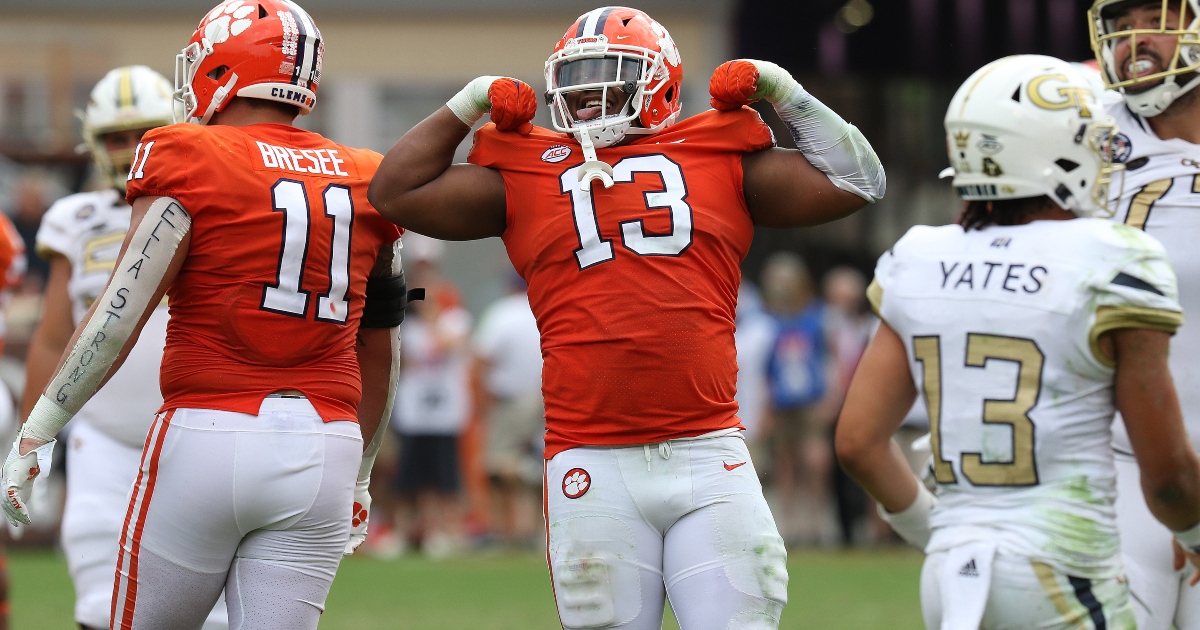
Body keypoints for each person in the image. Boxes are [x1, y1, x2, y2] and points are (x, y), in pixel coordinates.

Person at [367, 5, 884, 627]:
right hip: (590, 459)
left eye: (607, 75)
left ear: (659, 81)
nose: (586, 95)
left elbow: (860, 179)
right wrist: (468, 103)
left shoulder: (719, 154)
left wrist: (782, 88)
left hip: (707, 449)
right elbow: (394, 191)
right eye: (575, 78)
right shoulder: (529, 170)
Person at [1, 2, 406, 628]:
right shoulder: (367, 175)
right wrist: (361, 473)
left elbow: (119, 311)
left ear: (223, 67)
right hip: (325, 442)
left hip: (209, 431)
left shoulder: (189, 152)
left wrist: (40, 425)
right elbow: (380, 345)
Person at [836, 54, 1200, 629]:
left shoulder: (921, 255)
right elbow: (1169, 476)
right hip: (1064, 564)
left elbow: (857, 442)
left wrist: (936, 534)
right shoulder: (1112, 259)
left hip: (954, 572)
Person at [20, 65, 228, 630]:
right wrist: (29, 439)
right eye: (118, 135)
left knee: (209, 601)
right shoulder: (76, 217)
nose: (133, 147)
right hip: (103, 435)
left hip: (197, 426)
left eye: (146, 131)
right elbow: (53, 335)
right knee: (99, 587)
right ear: (95, 141)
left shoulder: (211, 203)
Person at [1090, 1, 1200, 627]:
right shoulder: (1078, 123)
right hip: (1118, 466)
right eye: (1120, 24)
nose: (1135, 39)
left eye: (1155, 17)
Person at [391, 243, 471, 558]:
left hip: (444, 412)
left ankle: (444, 532)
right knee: (408, 478)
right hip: (414, 412)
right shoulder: (407, 327)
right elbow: (404, 358)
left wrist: (431, 306)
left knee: (444, 478)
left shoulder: (455, 319)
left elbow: (445, 345)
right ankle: (405, 533)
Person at [760, 252, 832, 544]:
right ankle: (787, 524)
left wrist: (830, 395)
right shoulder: (767, 319)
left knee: (814, 459)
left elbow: (829, 358)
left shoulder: (816, 316)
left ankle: (816, 520)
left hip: (810, 398)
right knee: (784, 461)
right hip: (779, 401)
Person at [473, 272, 544, 548]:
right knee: (541, 456)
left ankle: (504, 532)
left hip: (511, 403)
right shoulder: (542, 310)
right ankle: (532, 529)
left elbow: (481, 360)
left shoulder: (502, 313)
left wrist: (480, 406)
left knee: (497, 464)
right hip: (546, 399)